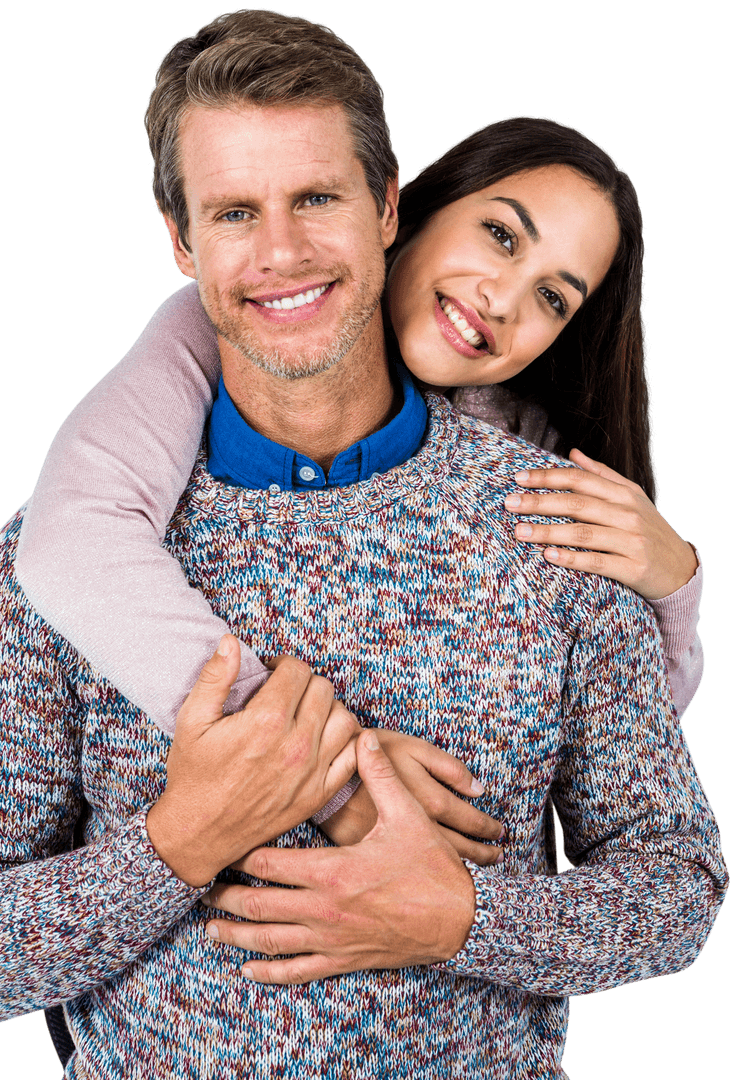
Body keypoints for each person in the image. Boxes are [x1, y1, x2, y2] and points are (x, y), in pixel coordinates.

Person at [0, 10, 725, 1080]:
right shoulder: (77, 550)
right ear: (179, 240)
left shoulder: (551, 526)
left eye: (316, 199)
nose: (281, 250)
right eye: (235, 210)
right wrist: (173, 850)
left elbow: (675, 886)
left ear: (386, 206)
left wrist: (462, 918)